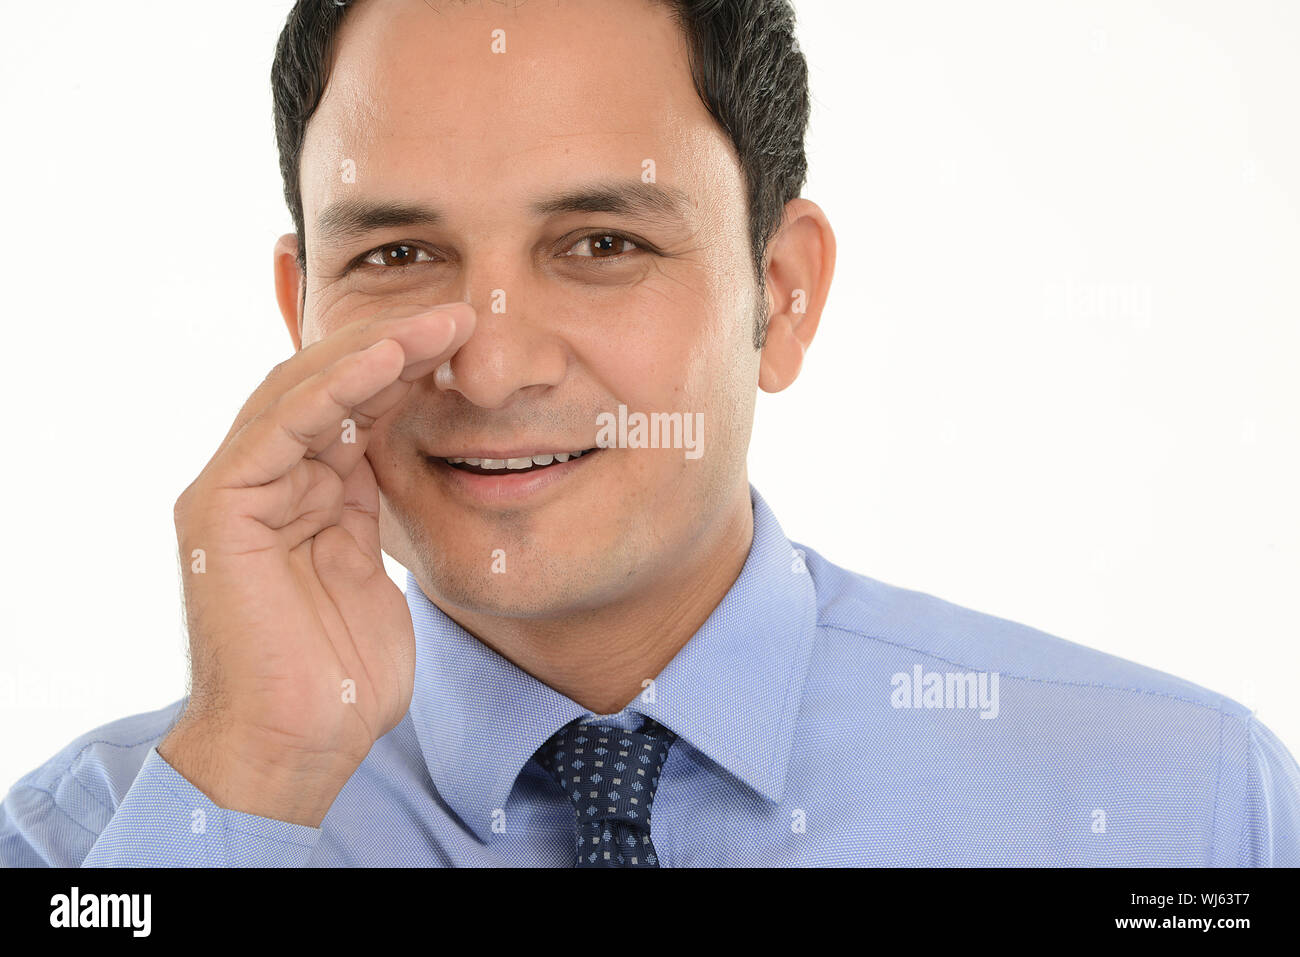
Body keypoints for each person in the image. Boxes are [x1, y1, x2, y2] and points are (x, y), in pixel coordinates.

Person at [2, 0, 1297, 867]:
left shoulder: (1184, 806)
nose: (494, 364)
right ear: (304, 314)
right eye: (400, 252)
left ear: (779, 295)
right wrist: (254, 775)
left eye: (602, 244)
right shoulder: (100, 839)